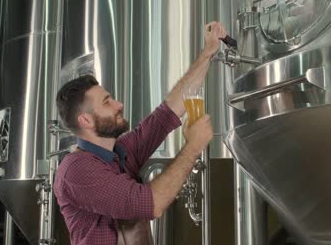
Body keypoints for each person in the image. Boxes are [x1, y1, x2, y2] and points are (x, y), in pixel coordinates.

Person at [54, 22, 227, 245]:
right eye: (107, 102)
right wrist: (193, 146)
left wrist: (207, 52)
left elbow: (168, 111)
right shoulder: (77, 169)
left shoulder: (122, 151)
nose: (119, 104)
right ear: (85, 120)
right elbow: (151, 203)